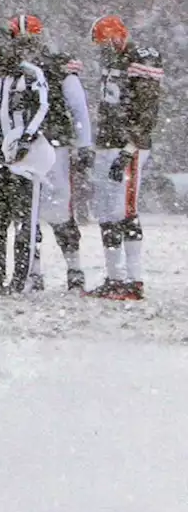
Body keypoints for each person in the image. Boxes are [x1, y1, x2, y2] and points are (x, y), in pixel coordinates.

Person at [6, 14, 93, 292]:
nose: (25, 46)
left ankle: (74, 268)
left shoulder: (56, 66)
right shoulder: (7, 68)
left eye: (29, 41)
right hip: (21, 145)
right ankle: (34, 269)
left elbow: (78, 106)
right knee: (26, 210)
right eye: (20, 41)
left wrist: (83, 143)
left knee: (58, 208)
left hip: (53, 142)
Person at [87, 15, 163, 300]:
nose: (104, 48)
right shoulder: (113, 62)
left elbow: (147, 110)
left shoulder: (141, 58)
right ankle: (114, 277)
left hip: (127, 146)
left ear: (119, 36)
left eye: (107, 41)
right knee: (107, 212)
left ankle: (135, 280)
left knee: (125, 211)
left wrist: (129, 148)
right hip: (108, 142)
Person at [0, 27, 49, 298]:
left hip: (22, 155)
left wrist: (26, 138)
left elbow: (42, 107)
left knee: (24, 219)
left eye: (0, 48)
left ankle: (23, 278)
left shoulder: (30, 73)